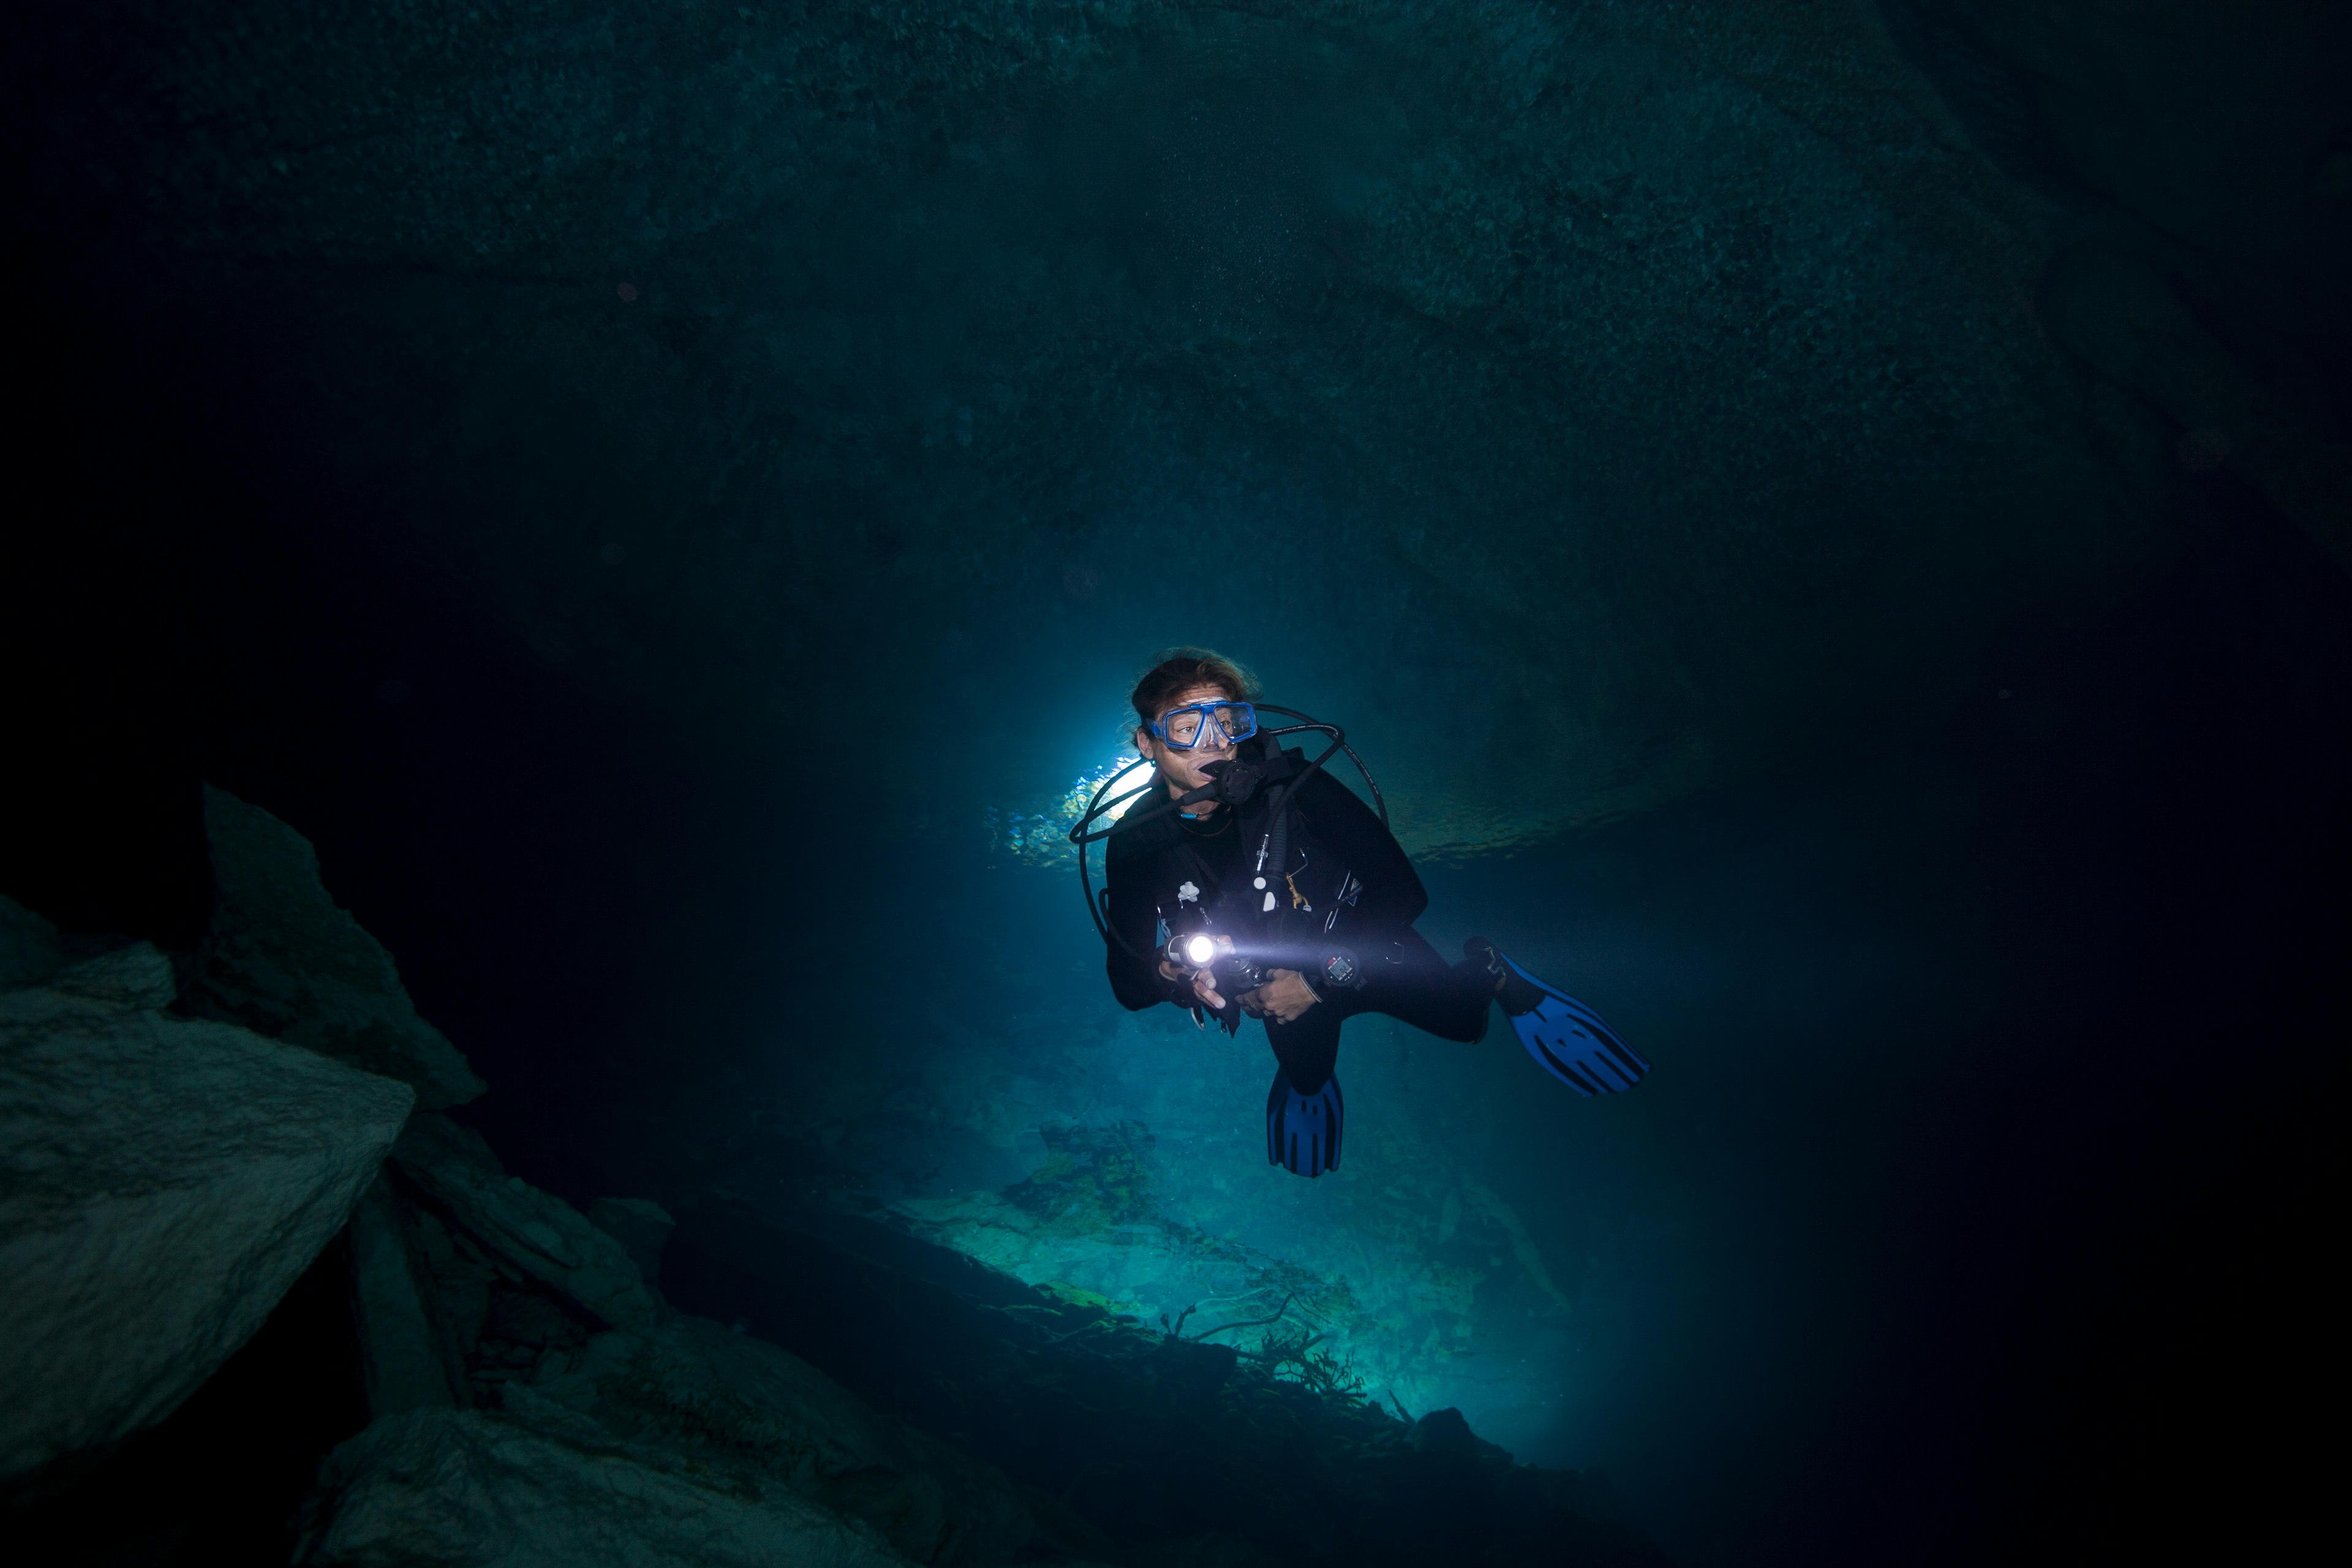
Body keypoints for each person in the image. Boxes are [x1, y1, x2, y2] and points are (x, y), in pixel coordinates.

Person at [1098, 648, 1649, 1178]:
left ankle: (1492, 969)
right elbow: (1129, 986)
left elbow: (1404, 893)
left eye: (1227, 721)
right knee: (1308, 1078)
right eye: (1184, 727)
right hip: (1272, 986)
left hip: (1368, 949)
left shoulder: (1296, 787)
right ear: (1147, 742)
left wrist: (1315, 981)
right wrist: (1172, 971)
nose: (1213, 743)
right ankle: (1311, 1083)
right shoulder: (1134, 842)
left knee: (1464, 1026)